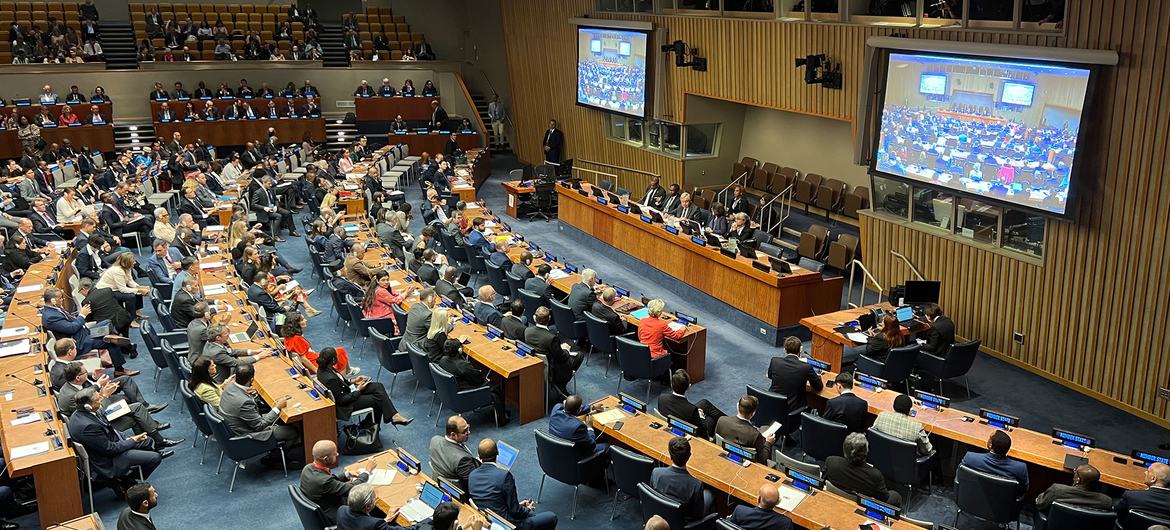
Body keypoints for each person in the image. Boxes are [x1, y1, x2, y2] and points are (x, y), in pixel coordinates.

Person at [66, 387, 167, 490]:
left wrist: (127, 439)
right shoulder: (88, 427)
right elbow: (110, 449)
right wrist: (132, 440)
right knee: (155, 458)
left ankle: (127, 474)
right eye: (98, 399)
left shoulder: (83, 413)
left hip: (112, 443)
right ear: (88, 406)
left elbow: (109, 428)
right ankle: (126, 481)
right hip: (108, 460)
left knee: (147, 441)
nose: (101, 400)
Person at [42, 287, 136, 376]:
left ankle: (110, 335)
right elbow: (72, 328)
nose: (62, 300)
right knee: (110, 343)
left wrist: (80, 317)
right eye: (60, 298)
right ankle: (119, 370)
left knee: (107, 322)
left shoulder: (53, 310)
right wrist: (82, 315)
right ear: (53, 300)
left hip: (83, 333)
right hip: (78, 342)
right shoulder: (50, 317)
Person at [468, 438, 556, 530]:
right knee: (551, 517)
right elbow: (515, 511)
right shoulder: (504, 476)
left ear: (479, 456)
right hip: (508, 524)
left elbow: (492, 498)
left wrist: (520, 505)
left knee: (532, 516)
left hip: (489, 519)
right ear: (498, 453)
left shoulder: (472, 475)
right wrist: (527, 509)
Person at [218, 363, 301, 453]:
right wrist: (278, 407)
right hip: (248, 435)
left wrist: (254, 395)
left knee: (274, 415)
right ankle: (276, 457)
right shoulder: (245, 402)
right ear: (252, 379)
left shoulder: (228, 387)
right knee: (293, 432)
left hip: (236, 427)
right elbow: (260, 426)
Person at [317, 347, 410, 426]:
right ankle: (372, 426)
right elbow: (341, 400)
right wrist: (358, 390)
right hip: (346, 405)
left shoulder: (325, 368)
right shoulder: (329, 378)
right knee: (378, 399)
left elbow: (340, 382)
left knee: (377, 386)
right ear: (333, 360)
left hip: (347, 391)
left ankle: (392, 416)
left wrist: (354, 381)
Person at [301, 440, 370, 525]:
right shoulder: (324, 481)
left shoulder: (307, 468)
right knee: (364, 499)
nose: (337, 454)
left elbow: (331, 482)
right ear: (326, 459)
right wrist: (367, 471)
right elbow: (352, 488)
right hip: (334, 513)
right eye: (334, 453)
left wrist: (347, 475)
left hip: (324, 503)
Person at [824, 433, 902, 507]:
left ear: (844, 449)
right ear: (866, 452)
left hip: (836, 499)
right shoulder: (875, 475)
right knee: (895, 496)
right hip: (863, 505)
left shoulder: (831, 461)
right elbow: (883, 498)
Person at [651, 436, 712, 522]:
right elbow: (698, 515)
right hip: (682, 523)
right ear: (689, 456)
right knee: (709, 493)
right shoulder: (696, 484)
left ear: (670, 455)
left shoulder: (656, 473)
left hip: (660, 515)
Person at [526, 306, 581, 398]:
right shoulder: (551, 338)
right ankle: (561, 384)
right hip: (552, 368)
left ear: (534, 318)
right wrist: (566, 349)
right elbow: (562, 357)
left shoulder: (527, 331)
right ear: (549, 319)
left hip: (535, 364)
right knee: (579, 355)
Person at [281, 313, 354, 376]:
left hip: (313, 357)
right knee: (340, 352)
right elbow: (303, 358)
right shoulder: (297, 339)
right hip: (314, 363)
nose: (305, 320)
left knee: (338, 351)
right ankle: (344, 378)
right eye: (302, 320)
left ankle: (347, 371)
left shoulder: (288, 337)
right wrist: (316, 370)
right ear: (296, 324)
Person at [658, 369, 725, 438]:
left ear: (672, 384)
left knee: (704, 403)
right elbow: (703, 433)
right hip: (687, 431)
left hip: (676, 420)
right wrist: (701, 417)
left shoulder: (662, 397)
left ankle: (729, 421)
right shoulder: (691, 409)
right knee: (710, 419)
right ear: (689, 387)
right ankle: (728, 427)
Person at [766, 336, 823, 411]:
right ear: (800, 349)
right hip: (793, 408)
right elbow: (818, 387)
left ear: (784, 350)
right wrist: (818, 377)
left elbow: (770, 376)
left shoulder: (775, 361)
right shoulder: (806, 367)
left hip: (773, 402)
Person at [714, 396, 773, 463]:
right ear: (753, 413)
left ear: (737, 406)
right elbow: (763, 460)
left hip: (722, 457)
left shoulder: (721, 420)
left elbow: (714, 442)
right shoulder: (755, 435)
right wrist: (768, 442)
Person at [429, 415, 481, 490]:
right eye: (464, 431)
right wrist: (480, 465)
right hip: (459, 492)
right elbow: (475, 482)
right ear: (453, 435)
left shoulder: (435, 440)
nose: (469, 432)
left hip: (438, 481)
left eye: (468, 428)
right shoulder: (462, 460)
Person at [1034, 464, 1112, 512]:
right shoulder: (1106, 502)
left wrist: (1043, 495)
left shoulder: (1057, 490)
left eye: (1075, 472)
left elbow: (1040, 504)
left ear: (1078, 479)